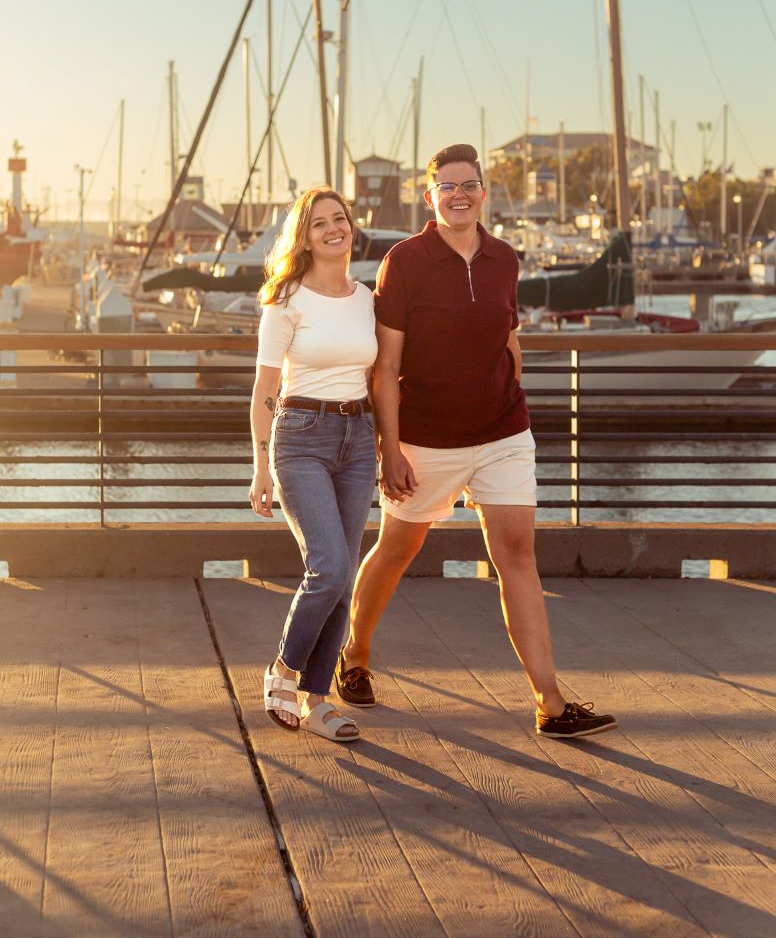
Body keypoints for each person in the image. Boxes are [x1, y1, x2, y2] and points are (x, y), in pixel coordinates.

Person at [335, 144, 617, 740]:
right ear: (430, 194)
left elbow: (508, 336)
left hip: (503, 433)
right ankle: (354, 654)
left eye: (469, 184)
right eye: (447, 186)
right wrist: (391, 448)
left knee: (517, 556)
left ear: (484, 191)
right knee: (397, 549)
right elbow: (385, 368)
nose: (458, 194)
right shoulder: (404, 262)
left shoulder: (505, 259)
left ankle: (551, 702)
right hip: (427, 439)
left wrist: (509, 389)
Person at [249, 187, 378, 743]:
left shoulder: (367, 298)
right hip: (300, 437)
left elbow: (379, 376)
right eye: (320, 222)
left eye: (340, 219)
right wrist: (259, 468)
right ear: (304, 236)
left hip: (360, 436)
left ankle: (318, 703)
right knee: (328, 567)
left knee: (345, 576)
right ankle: (283, 669)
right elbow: (263, 389)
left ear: (352, 227)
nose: (334, 229)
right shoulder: (285, 299)